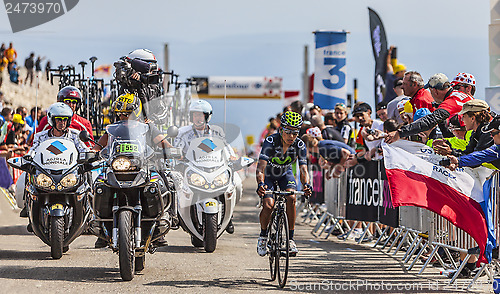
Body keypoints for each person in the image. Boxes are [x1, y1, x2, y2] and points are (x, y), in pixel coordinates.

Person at [92, 93, 173, 248]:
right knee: (99, 185)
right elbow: (99, 146)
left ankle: (160, 225)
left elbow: (163, 143)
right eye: (120, 114)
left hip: (143, 167)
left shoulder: (147, 126)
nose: (123, 116)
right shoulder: (113, 129)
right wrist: (91, 152)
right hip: (117, 168)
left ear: (136, 112)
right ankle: (102, 227)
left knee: (163, 183)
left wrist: (172, 150)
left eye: (126, 113)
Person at [256, 111, 312, 256]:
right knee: (268, 205)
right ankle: (263, 237)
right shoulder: (270, 141)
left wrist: (306, 185)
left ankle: (290, 239)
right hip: (268, 175)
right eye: (288, 132)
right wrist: (261, 184)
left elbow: (304, 169)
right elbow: (260, 167)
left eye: (295, 133)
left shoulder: (300, 144)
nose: (291, 136)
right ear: (281, 130)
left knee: (292, 198)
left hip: (285, 174)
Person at [18, 103, 89, 218]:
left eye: (65, 120)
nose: (62, 123)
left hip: (68, 171)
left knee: (88, 175)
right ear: (52, 121)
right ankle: (28, 205)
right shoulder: (40, 136)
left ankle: (89, 205)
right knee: (28, 173)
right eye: (59, 120)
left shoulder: (75, 135)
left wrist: (89, 155)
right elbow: (33, 150)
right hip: (47, 171)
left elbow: (83, 149)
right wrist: (27, 157)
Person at [385, 73, 473, 144]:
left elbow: (430, 120)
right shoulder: (460, 95)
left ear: (434, 90)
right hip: (477, 136)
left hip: (472, 139)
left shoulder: (449, 102)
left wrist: (400, 133)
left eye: (430, 91)